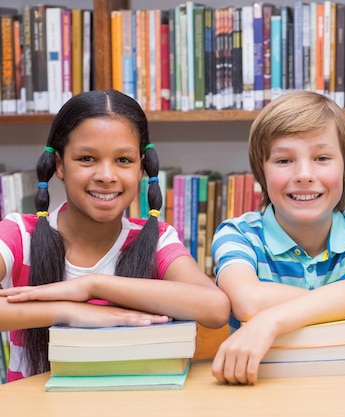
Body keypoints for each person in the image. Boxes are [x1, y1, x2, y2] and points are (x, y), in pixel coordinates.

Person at [0, 89, 230, 382]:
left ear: (142, 169)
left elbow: (215, 308)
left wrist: (95, 286)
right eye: (87, 158)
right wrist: (69, 311)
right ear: (59, 165)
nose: (107, 176)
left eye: (123, 160)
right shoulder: (20, 234)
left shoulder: (156, 239)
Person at [210, 91, 345, 384]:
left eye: (322, 158)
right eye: (284, 160)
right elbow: (248, 300)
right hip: (260, 386)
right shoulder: (237, 234)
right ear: (261, 172)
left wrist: (271, 320)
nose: (304, 174)